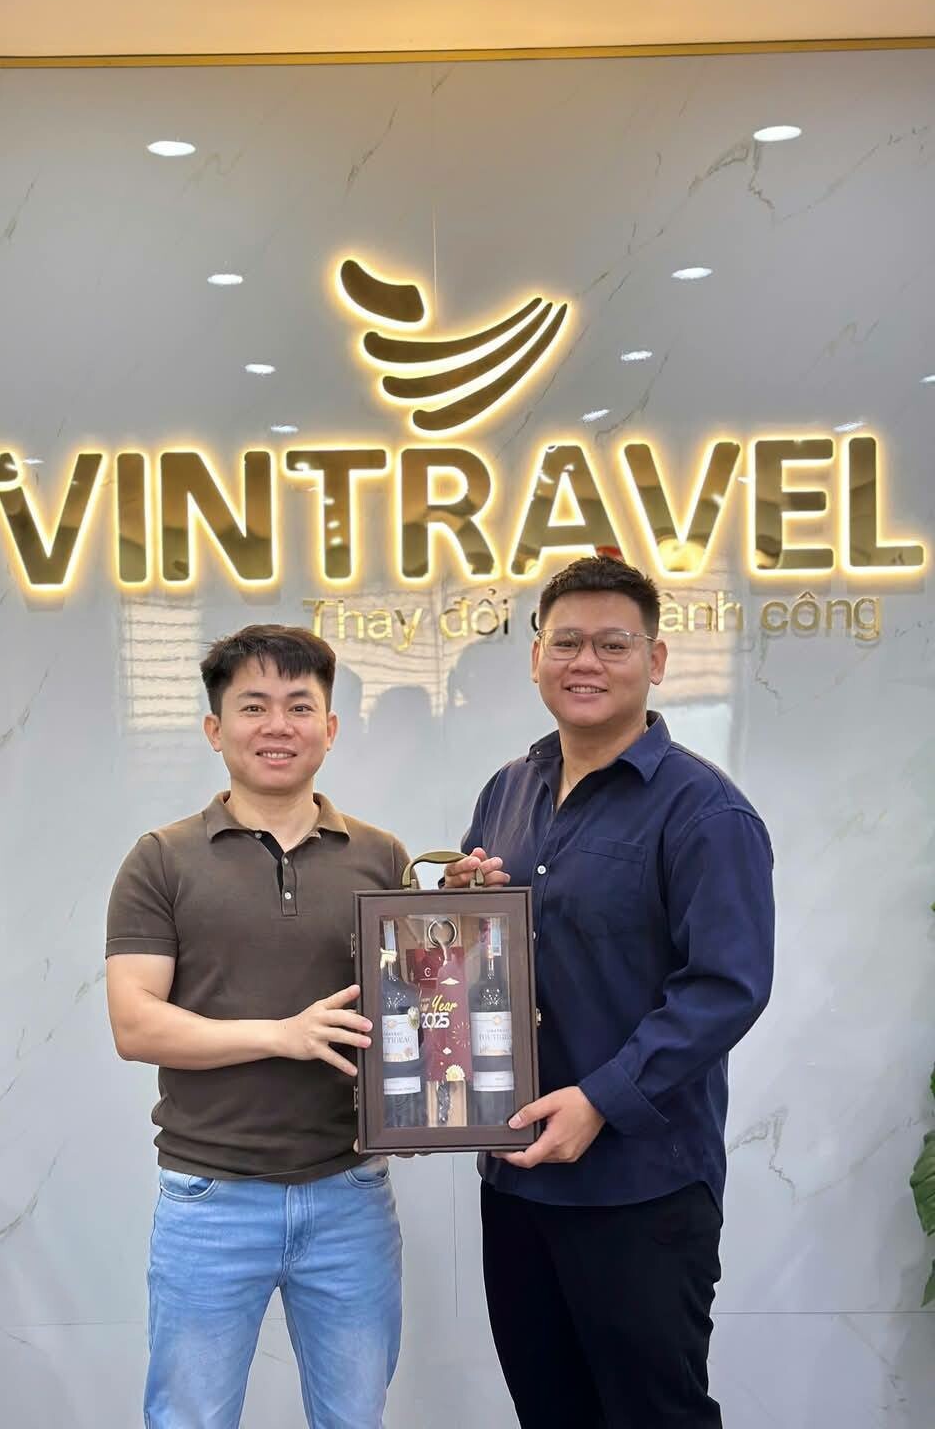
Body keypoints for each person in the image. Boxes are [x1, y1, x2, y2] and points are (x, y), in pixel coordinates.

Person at [444, 555, 774, 1428]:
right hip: (517, 1177)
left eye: (612, 644)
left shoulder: (706, 810)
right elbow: (481, 960)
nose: (585, 662)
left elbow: (726, 987)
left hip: (641, 1186)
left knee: (653, 1414)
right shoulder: (508, 790)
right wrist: (465, 913)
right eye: (566, 643)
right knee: (549, 1410)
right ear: (535, 658)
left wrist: (600, 1099)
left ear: (655, 660)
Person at [106, 625, 408, 1429]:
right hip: (210, 1197)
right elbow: (135, 1024)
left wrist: (473, 918)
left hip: (350, 1194)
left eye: (300, 706)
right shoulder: (160, 859)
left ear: (330, 728)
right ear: (215, 729)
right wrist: (281, 1034)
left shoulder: (383, 858)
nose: (279, 725)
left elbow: (415, 1010)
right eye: (254, 706)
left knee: (355, 1419)